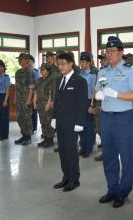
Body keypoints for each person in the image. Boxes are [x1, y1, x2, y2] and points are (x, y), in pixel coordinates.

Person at [95, 36, 133, 208]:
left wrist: (116, 94)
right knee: (109, 156)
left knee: (126, 157)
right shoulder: (103, 72)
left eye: (112, 51)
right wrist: (98, 95)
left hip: (123, 117)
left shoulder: (130, 70)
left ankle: (123, 192)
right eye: (107, 51)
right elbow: (97, 92)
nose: (109, 54)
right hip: (106, 117)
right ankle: (112, 189)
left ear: (121, 52)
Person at [53, 52, 88, 192]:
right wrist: (54, 118)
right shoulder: (59, 80)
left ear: (71, 64)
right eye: (58, 64)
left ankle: (74, 179)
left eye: (63, 64)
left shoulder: (79, 81)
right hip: (61, 122)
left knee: (71, 151)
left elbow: (82, 104)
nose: (60, 67)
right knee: (62, 150)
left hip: (73, 123)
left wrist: (80, 122)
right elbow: (57, 101)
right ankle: (66, 177)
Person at [14, 53, 35, 146]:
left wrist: (29, 99)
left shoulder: (30, 71)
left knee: (27, 118)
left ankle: (28, 137)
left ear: (26, 60)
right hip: (18, 99)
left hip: (26, 99)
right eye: (19, 59)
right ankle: (23, 135)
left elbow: (31, 87)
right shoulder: (18, 72)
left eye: (21, 59)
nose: (20, 61)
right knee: (20, 118)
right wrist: (15, 98)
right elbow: (16, 86)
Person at [79, 52, 97, 158]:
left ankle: (88, 148)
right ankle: (82, 146)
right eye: (81, 62)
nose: (82, 64)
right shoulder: (78, 75)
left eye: (84, 62)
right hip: (79, 103)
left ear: (89, 63)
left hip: (88, 102)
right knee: (81, 126)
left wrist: (92, 105)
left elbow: (94, 92)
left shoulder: (92, 76)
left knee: (89, 127)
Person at [34, 63, 55, 148]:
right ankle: (45, 138)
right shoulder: (39, 80)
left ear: (48, 71)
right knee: (42, 122)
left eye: (43, 70)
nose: (41, 71)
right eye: (41, 70)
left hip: (47, 104)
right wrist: (34, 102)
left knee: (48, 122)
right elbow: (35, 92)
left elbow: (51, 93)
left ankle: (50, 140)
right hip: (40, 104)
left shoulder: (51, 80)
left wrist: (49, 103)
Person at [29, 54, 41, 134]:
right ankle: (28, 127)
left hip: (34, 93)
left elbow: (37, 83)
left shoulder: (36, 71)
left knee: (34, 111)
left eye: (30, 61)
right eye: (27, 61)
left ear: (33, 62)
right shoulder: (24, 71)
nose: (28, 63)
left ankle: (34, 128)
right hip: (26, 94)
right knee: (27, 112)